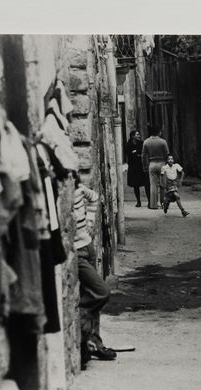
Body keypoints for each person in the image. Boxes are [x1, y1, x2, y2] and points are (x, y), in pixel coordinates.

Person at [73, 172, 117, 369]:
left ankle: (94, 342)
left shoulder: (78, 188)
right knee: (101, 292)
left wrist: (89, 223)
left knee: (93, 295)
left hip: (87, 247)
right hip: (77, 253)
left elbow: (94, 197)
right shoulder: (63, 191)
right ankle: (84, 341)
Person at [141, 124, 169, 209]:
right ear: (159, 132)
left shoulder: (146, 142)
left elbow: (143, 156)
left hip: (152, 164)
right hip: (162, 164)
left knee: (153, 185)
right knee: (163, 185)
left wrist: (144, 166)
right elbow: (167, 154)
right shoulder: (163, 142)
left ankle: (153, 205)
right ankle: (163, 203)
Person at [125, 129, 149, 207]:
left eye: (139, 134)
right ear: (133, 136)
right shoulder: (128, 144)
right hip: (133, 167)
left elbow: (143, 153)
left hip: (141, 166)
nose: (139, 136)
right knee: (136, 185)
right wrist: (137, 153)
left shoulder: (142, 143)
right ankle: (138, 201)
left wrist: (136, 153)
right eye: (137, 134)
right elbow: (128, 154)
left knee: (146, 184)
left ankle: (149, 201)